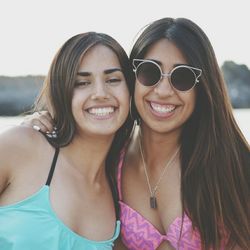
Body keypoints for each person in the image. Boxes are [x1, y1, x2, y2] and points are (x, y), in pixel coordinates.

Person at [22, 18, 250, 250]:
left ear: (202, 87)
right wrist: (43, 121)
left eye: (182, 77)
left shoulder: (233, 163)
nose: (162, 91)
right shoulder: (108, 163)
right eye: (150, 72)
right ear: (131, 79)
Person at [0, 32, 134, 250]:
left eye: (113, 80)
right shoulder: (20, 147)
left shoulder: (119, 189)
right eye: (82, 82)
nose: (100, 93)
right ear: (62, 91)